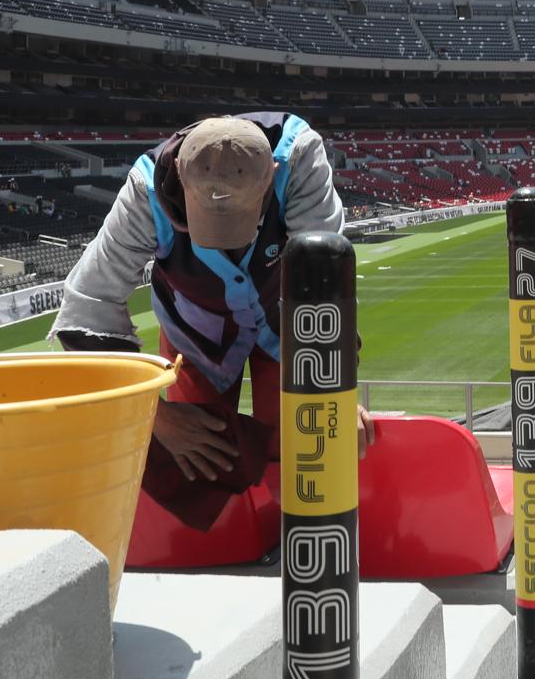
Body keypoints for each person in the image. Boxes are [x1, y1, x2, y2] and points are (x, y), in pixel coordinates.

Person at [51, 114, 367, 497]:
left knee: (309, 446)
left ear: (273, 173)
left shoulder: (299, 157)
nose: (224, 243)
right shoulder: (142, 191)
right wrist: (155, 415)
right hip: (195, 333)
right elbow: (86, 307)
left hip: (288, 323)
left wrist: (335, 396)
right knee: (198, 462)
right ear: (180, 173)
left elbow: (322, 287)